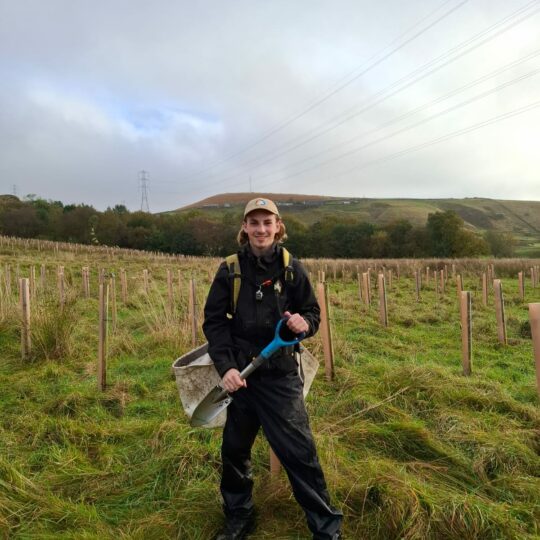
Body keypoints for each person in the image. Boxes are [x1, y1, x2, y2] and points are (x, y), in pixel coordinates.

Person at [203, 197, 343, 540]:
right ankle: (239, 516)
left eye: (268, 222)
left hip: (280, 377)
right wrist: (226, 368)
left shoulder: (292, 268)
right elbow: (214, 323)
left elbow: (312, 313)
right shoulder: (230, 270)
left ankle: (326, 529)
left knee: (299, 454)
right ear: (245, 228)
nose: (261, 229)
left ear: (278, 226)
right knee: (234, 451)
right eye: (254, 222)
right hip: (241, 379)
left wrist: (302, 324)